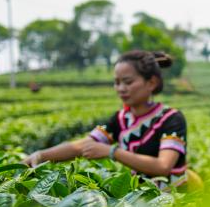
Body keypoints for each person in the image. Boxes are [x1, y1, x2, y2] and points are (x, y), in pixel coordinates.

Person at [23, 50, 190, 188]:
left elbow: (163, 166)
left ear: (151, 83)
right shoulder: (120, 119)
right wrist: (40, 156)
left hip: (175, 201)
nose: (121, 89)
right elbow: (82, 145)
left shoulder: (171, 119)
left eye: (128, 82)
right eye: (117, 82)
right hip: (141, 198)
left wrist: (112, 152)